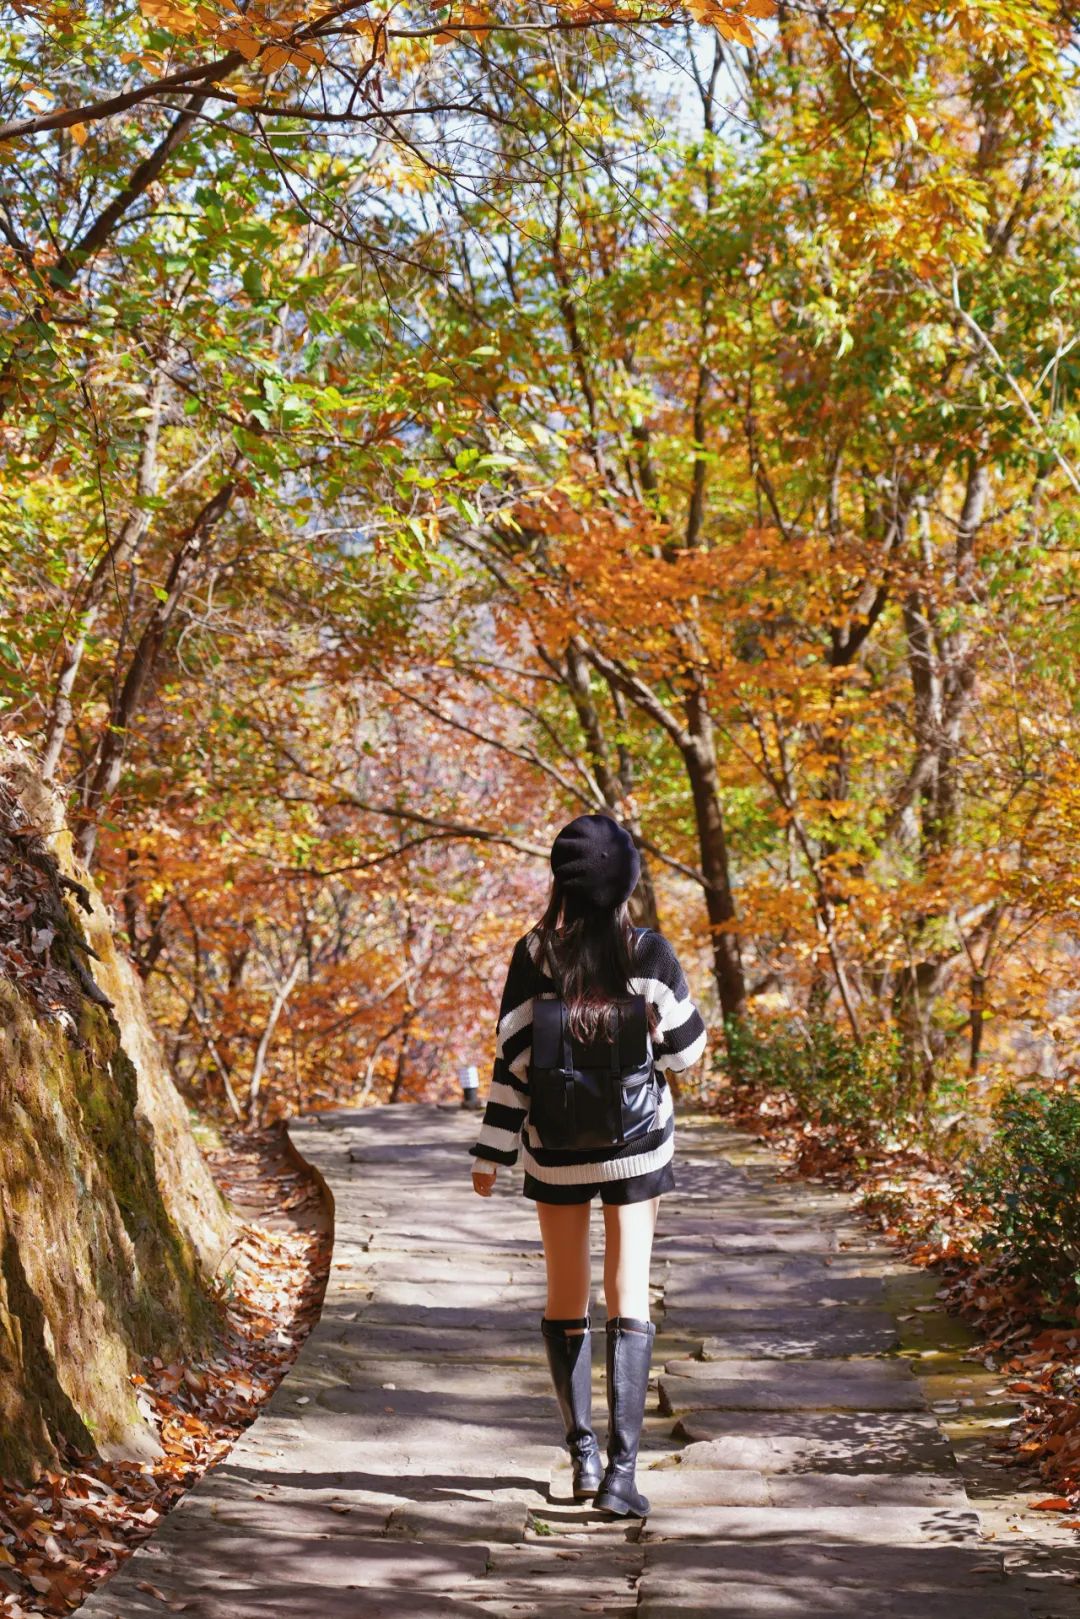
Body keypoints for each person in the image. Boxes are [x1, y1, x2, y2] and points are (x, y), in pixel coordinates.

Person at [468, 813, 707, 1518]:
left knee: (565, 1293)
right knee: (626, 1288)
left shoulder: (533, 953)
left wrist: (492, 1150)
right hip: (637, 1147)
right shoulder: (649, 952)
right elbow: (687, 1053)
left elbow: (513, 1061)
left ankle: (582, 1457)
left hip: (555, 1148)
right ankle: (623, 1477)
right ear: (627, 883)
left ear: (563, 883)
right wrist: (648, 1035)